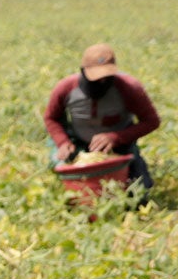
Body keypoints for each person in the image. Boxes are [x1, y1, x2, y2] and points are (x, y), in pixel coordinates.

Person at [44, 43, 160, 195]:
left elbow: (151, 121)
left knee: (140, 192)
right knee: (64, 184)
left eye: (106, 78)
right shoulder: (66, 88)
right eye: (96, 79)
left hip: (119, 147)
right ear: (83, 71)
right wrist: (63, 142)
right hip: (77, 144)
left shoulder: (129, 88)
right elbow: (51, 118)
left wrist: (116, 137)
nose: (101, 83)